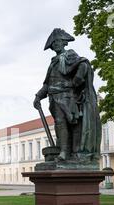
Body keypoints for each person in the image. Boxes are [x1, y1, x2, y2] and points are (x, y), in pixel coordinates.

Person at [33, 28, 101, 162]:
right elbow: (47, 84)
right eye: (53, 44)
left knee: (70, 123)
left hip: (67, 97)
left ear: (64, 42)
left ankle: (70, 153)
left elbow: (83, 64)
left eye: (57, 41)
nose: (55, 45)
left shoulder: (70, 55)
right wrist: (38, 96)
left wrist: (75, 82)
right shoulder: (54, 62)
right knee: (60, 124)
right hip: (54, 98)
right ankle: (64, 151)